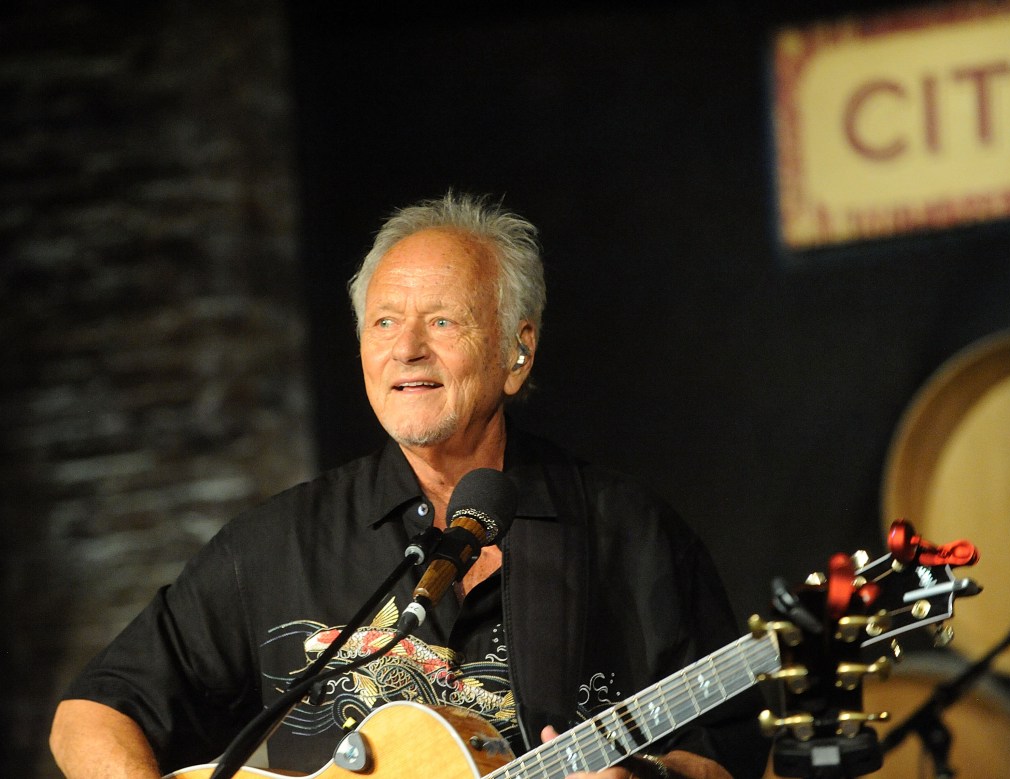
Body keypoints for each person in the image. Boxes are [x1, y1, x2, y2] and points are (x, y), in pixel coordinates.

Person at [50, 192, 769, 779]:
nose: (406, 348)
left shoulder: (631, 532)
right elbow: (93, 712)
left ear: (518, 352)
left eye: (442, 321)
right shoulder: (276, 545)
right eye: (384, 321)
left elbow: (728, 753)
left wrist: (655, 778)